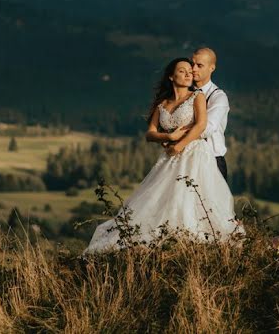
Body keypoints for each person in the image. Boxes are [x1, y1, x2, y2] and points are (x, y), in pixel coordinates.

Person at [83, 58, 241, 254]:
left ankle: (193, 244)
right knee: (162, 199)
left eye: (189, 71)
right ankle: (165, 242)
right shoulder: (163, 103)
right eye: (182, 71)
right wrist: (168, 137)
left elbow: (202, 125)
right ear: (171, 76)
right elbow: (150, 133)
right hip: (170, 158)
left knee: (190, 198)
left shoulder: (197, 96)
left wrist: (179, 144)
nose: (188, 73)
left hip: (194, 155)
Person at [188, 47, 231, 180]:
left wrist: (175, 135)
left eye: (199, 65)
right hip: (185, 159)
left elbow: (206, 129)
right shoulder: (183, 92)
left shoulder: (218, 97)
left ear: (211, 68)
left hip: (212, 161)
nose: (193, 69)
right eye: (192, 64)